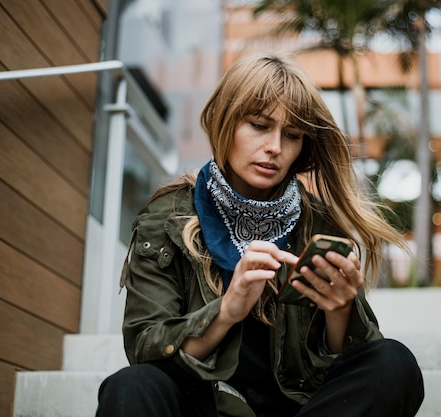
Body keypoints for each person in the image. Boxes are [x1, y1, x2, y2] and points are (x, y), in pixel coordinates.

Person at [96, 52, 424, 417]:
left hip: (297, 409)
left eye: (293, 135)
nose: (275, 148)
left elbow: (354, 365)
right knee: (130, 386)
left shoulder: (319, 224)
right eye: (259, 125)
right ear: (226, 122)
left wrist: (340, 311)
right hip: (204, 406)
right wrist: (226, 311)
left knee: (394, 363)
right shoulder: (166, 217)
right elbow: (145, 348)